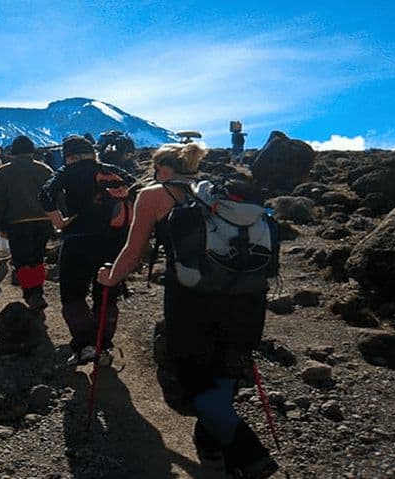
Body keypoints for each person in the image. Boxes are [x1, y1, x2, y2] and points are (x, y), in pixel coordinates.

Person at [96, 143, 279, 478]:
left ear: (162, 169)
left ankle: (252, 457)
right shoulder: (216, 193)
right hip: (248, 299)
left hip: (191, 301)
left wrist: (110, 277)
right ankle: (212, 453)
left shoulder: (154, 195)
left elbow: (133, 250)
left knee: (195, 381)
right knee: (223, 374)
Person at [39, 135, 135, 366]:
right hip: (113, 242)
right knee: (106, 294)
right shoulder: (112, 170)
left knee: (73, 294)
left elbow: (45, 194)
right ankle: (103, 346)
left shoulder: (66, 172)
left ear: (69, 155)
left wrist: (60, 222)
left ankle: (84, 345)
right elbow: (138, 189)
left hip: (78, 240)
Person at [0, 135, 54, 310]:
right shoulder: (45, 169)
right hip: (43, 220)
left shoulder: (3, 172)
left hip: (17, 222)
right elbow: (55, 196)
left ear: (13, 152)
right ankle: (38, 291)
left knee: (21, 260)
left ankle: (31, 293)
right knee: (37, 258)